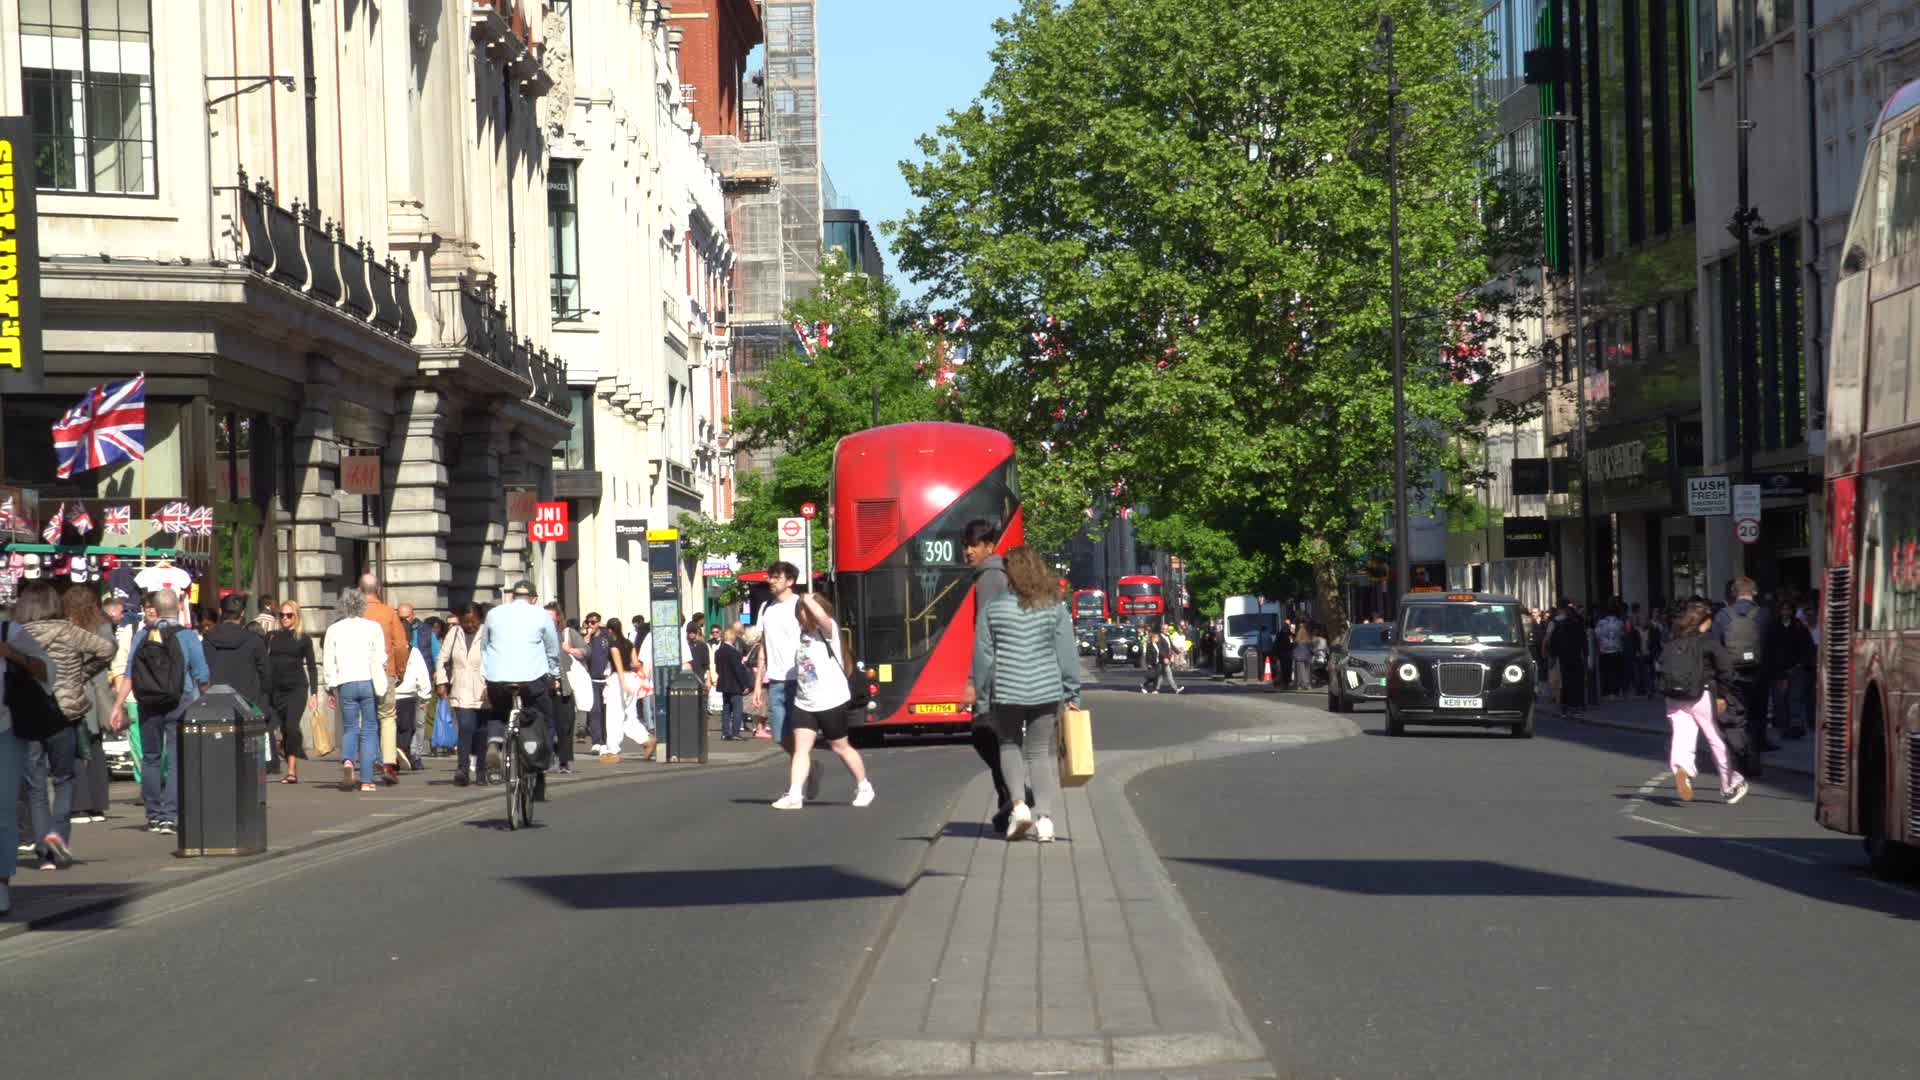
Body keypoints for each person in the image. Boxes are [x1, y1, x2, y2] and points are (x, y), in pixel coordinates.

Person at [972, 546, 1080, 842]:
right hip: (1046, 690)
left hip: (1006, 690)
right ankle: (1044, 819)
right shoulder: (1053, 606)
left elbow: (983, 657)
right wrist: (1073, 693)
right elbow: (1067, 654)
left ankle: (1019, 806)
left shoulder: (993, 608)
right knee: (1039, 754)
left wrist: (981, 698)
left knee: (1009, 746)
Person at [18, 581, 114, 870]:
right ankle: (58, 838)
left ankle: (44, 851)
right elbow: (107, 649)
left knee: (35, 786)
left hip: (28, 715)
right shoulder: (68, 631)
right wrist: (82, 674)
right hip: (65, 712)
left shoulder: (17, 634)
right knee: (64, 779)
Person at [113, 588, 210, 834]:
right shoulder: (187, 636)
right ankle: (169, 816)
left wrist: (118, 705)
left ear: (154, 608)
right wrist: (207, 700)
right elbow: (202, 674)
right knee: (177, 760)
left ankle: (153, 815)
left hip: (148, 702)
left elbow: (129, 673)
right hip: (180, 701)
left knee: (151, 759)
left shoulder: (143, 634)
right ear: (178, 608)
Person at [771, 592, 873, 810]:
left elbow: (821, 615)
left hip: (831, 700)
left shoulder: (829, 631)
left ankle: (864, 786)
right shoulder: (803, 635)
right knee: (801, 748)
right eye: (800, 612)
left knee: (840, 747)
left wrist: (807, 599)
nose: (802, 615)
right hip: (805, 701)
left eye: (805, 611)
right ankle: (795, 794)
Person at [956, 521, 1020, 832]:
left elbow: (987, 633)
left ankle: (1017, 796)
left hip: (997, 675)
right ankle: (1008, 808)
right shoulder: (993, 574)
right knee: (997, 737)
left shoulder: (991, 577)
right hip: (1005, 671)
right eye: (965, 544)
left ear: (990, 546)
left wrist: (973, 682)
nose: (968, 551)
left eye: (974, 544)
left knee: (986, 735)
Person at [1660, 600, 1749, 805]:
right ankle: (1729, 785)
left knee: (1682, 736)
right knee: (1715, 738)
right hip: (1702, 694)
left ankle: (1682, 768)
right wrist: (1722, 695)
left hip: (1674, 696)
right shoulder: (1707, 642)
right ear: (1706, 623)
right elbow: (1726, 669)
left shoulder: (1672, 642)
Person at [480, 581, 561, 799]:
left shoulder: (494, 614)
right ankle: (540, 767)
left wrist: (486, 675)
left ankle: (494, 743)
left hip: (498, 678)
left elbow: (485, 647)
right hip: (530, 678)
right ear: (533, 599)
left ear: (512, 596)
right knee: (543, 718)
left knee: (498, 711)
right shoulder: (541, 615)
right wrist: (554, 675)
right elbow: (553, 649)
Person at [0, 605, 56, 915]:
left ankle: (2, 883)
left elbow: (47, 669)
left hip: (5, 729)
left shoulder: (10, 632)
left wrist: (12, 655)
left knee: (3, 810)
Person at [1712, 576, 1783, 777]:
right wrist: (1778, 674)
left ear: (1733, 594)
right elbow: (1774, 647)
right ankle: (1754, 760)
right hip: (1760, 675)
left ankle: (1739, 762)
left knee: (1736, 719)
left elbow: (1715, 648)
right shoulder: (1764, 615)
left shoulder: (1722, 616)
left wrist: (1716, 679)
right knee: (1757, 718)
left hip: (1733, 677)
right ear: (1753, 592)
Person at [324, 588, 390, 792]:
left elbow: (328, 660)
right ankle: (367, 780)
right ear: (362, 606)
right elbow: (382, 657)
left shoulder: (334, 629)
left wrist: (330, 685)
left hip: (346, 683)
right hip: (368, 681)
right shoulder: (373, 627)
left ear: (342, 606)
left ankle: (348, 762)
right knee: (369, 729)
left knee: (350, 728)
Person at [70, 588, 121, 823]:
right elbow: (110, 652)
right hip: (98, 690)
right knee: (96, 744)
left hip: (74, 690)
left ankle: (80, 805)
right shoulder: (103, 626)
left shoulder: (68, 626)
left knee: (76, 747)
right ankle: (98, 805)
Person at [357, 573, 410, 785]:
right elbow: (400, 646)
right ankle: (388, 762)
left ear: (359, 591)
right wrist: (400, 670)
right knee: (387, 716)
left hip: (359, 673)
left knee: (363, 718)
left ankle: (367, 762)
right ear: (378, 590)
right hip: (385, 672)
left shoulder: (355, 615)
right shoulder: (389, 612)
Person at [435, 603, 492, 786]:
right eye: (466, 622)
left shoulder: (488, 633)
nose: (469, 625)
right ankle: (463, 769)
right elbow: (442, 659)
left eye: (473, 621)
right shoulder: (454, 634)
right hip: (460, 687)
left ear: (479, 620)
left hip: (483, 688)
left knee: (482, 732)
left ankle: (482, 770)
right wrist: (442, 681)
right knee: (466, 727)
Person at [752, 561, 804, 758]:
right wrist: (758, 684)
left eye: (776, 577)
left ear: (789, 581)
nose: (771, 581)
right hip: (775, 681)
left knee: (800, 732)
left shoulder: (800, 605)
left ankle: (799, 775)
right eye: (770, 576)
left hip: (798, 679)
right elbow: (763, 646)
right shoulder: (766, 608)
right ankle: (802, 764)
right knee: (779, 735)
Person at [265, 601, 318, 783]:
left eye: (289, 615)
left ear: (297, 616)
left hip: (297, 688)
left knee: (292, 727)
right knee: (283, 729)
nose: (285, 619)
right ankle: (286, 752)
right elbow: (264, 663)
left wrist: (314, 694)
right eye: (282, 615)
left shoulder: (303, 639)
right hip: (276, 689)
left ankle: (292, 770)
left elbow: (312, 667)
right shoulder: (271, 637)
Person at [203, 595, 270, 714]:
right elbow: (266, 675)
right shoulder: (254, 641)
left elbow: (200, 676)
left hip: (215, 709)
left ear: (220, 611)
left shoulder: (206, 641)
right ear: (242, 613)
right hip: (248, 709)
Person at [547, 602, 585, 773]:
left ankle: (563, 761)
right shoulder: (537, 637)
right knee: (546, 725)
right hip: (543, 687)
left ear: (558, 619)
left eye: (551, 619)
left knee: (564, 725)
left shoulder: (567, 634)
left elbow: (586, 650)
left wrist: (571, 650)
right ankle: (547, 759)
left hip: (564, 687)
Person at [393, 638, 433, 771]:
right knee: (407, 728)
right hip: (405, 696)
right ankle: (404, 753)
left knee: (395, 727)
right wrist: (425, 695)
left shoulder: (410, 651)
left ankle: (403, 756)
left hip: (394, 695)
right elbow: (422, 674)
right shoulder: (412, 651)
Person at [1545, 600, 1588, 720]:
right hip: (1576, 656)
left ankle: (1565, 707)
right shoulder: (1578, 624)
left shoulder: (1559, 625)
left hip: (1564, 657)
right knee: (1577, 681)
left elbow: (1553, 642)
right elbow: (1583, 641)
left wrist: (1553, 655)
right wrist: (1585, 655)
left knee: (1566, 682)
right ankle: (1577, 706)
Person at [715, 625, 752, 739]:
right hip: (735, 684)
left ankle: (725, 733)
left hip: (724, 683)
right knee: (737, 709)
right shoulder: (733, 652)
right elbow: (738, 670)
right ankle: (735, 732)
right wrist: (745, 684)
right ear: (732, 637)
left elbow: (718, 669)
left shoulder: (719, 651)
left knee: (726, 709)